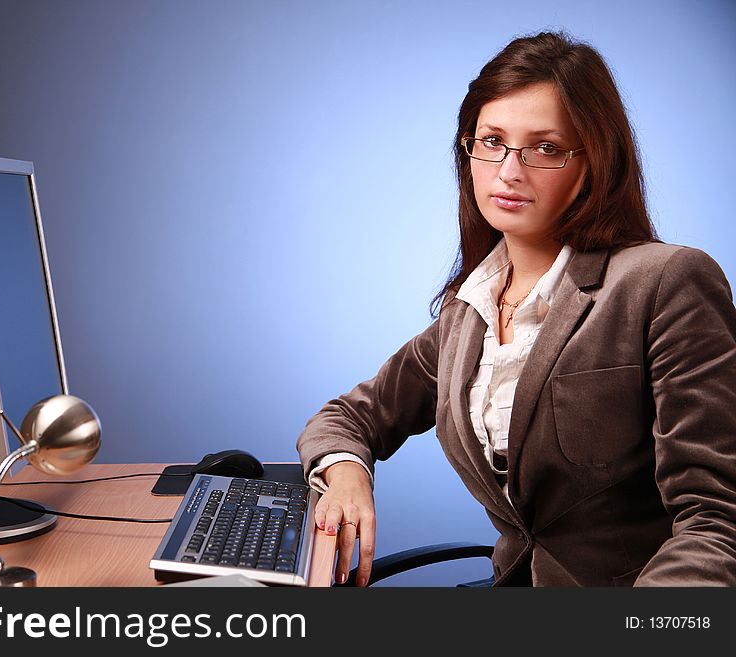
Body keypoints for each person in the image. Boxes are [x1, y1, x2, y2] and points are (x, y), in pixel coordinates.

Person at [296, 31, 736, 587]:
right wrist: (346, 475)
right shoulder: (467, 312)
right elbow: (346, 417)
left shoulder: (665, 282)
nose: (509, 170)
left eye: (546, 148)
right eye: (492, 140)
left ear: (593, 161)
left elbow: (716, 521)